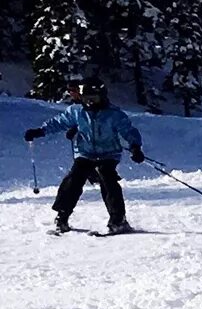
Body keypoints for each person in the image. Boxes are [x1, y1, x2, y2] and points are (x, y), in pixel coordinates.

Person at [25, 79, 144, 235]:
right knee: (74, 178)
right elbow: (59, 122)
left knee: (107, 177)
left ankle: (118, 220)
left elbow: (128, 131)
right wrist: (40, 131)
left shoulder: (114, 114)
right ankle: (62, 216)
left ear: (102, 96)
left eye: (93, 98)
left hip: (108, 154)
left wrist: (135, 147)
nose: (90, 102)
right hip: (85, 153)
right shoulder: (76, 111)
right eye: (86, 99)